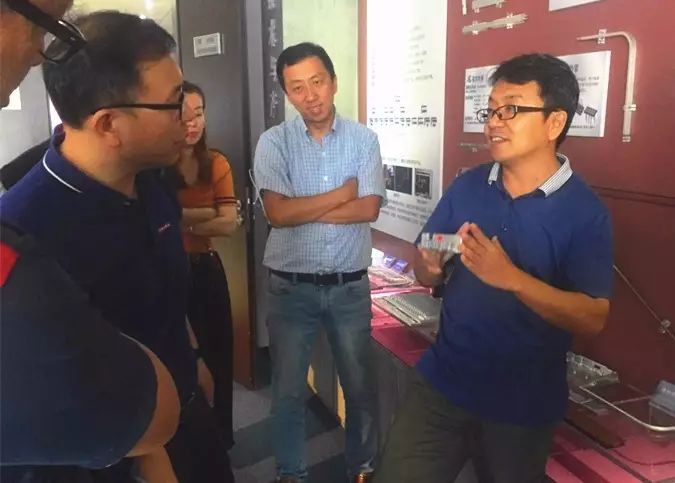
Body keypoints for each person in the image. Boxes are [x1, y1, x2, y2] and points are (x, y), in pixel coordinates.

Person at [0, 10, 233, 483]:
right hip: (117, 453)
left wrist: (193, 358)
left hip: (185, 408)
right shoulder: (27, 230)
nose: (188, 117)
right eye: (173, 103)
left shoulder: (153, 178)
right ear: (109, 124)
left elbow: (168, 292)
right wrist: (152, 460)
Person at [374, 53, 614, 483]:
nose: (493, 123)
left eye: (511, 109)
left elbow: (593, 317)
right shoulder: (468, 185)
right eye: (490, 110)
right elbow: (426, 261)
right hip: (443, 383)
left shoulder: (585, 213)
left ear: (555, 123)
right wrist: (431, 266)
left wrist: (513, 279)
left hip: (522, 406)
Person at [254, 42, 386, 483]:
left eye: (317, 82)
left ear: (333, 82)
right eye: (297, 87)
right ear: (287, 94)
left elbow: (369, 208)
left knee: (360, 389)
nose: (310, 95)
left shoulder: (364, 140)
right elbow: (277, 214)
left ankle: (362, 469)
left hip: (350, 287)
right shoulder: (274, 142)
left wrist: (304, 208)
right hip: (291, 288)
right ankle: (291, 473)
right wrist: (342, 194)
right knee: (288, 392)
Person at [171, 80, 239, 447]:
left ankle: (221, 438)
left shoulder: (215, 162)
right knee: (179, 359)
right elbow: (153, 219)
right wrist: (208, 212)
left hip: (205, 268)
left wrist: (178, 220)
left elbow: (228, 223)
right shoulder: (154, 167)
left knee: (218, 356)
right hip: (168, 272)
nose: (192, 123)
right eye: (184, 115)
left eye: (198, 114)